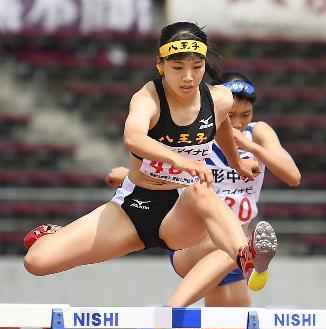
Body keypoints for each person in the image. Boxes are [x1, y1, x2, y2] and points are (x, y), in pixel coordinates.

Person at [106, 71, 301, 329]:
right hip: (193, 248)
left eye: (245, 114)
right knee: (227, 244)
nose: (239, 121)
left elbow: (292, 175)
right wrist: (123, 178)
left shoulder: (259, 133)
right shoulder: (198, 134)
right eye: (234, 116)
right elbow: (155, 166)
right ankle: (169, 312)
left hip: (233, 258)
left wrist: (248, 145)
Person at [23, 22, 276, 289]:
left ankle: (245, 257)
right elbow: (133, 138)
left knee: (200, 191)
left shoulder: (221, 98)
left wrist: (236, 162)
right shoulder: (147, 98)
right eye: (178, 68)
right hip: (132, 209)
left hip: (180, 213)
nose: (188, 77)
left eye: (197, 67)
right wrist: (182, 161)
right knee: (36, 262)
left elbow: (221, 121)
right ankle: (55, 235)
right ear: (161, 65)